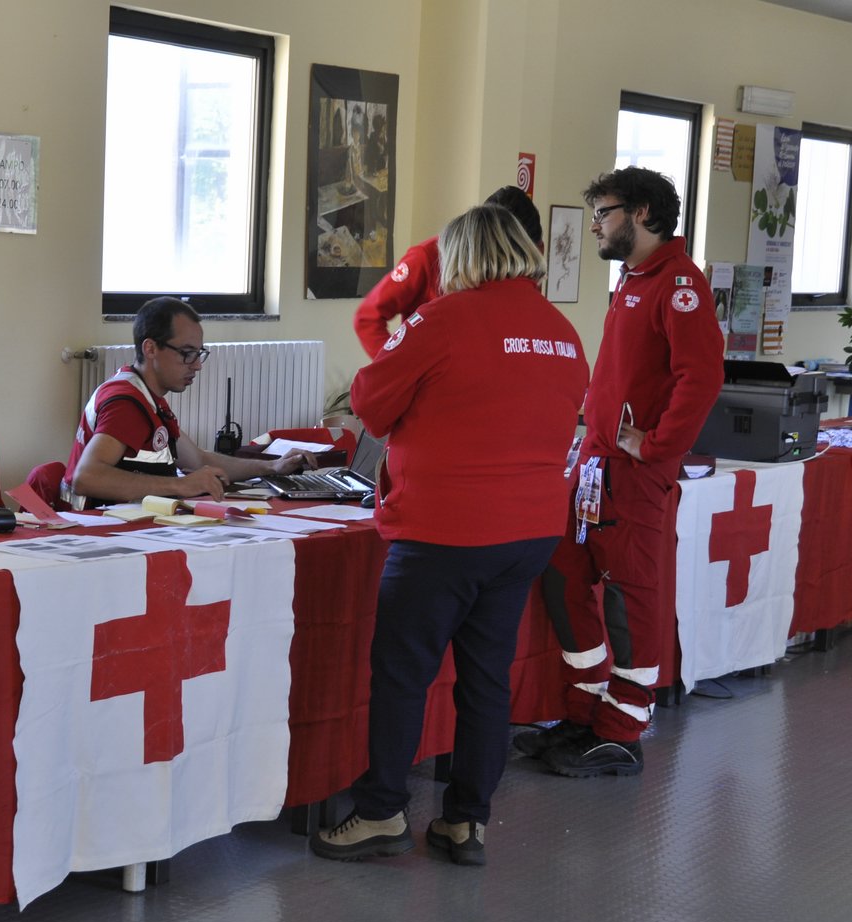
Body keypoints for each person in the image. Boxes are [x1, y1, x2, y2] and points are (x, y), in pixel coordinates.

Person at [310, 205, 589, 865]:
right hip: (527, 533)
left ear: (461, 257)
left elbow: (371, 403)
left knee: (403, 673)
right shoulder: (562, 332)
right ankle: (467, 820)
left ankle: (381, 812)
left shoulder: (442, 321)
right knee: (486, 676)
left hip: (444, 531)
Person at [520, 166, 724, 778]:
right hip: (594, 466)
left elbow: (702, 377)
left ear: (640, 213)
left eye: (603, 213)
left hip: (633, 475)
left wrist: (657, 445)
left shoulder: (679, 285)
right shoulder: (635, 280)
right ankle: (583, 712)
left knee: (632, 600)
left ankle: (622, 729)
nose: (595, 226)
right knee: (561, 569)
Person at [64, 297, 312, 506]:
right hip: (100, 530)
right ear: (150, 349)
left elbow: (198, 460)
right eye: (187, 353)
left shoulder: (146, 396)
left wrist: (272, 467)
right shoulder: (127, 404)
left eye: (199, 353)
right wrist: (180, 485)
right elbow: (86, 477)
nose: (197, 365)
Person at [352, 185, 544, 359]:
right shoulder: (427, 257)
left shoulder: (528, 274)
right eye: (499, 257)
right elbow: (368, 318)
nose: (502, 272)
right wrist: (398, 367)